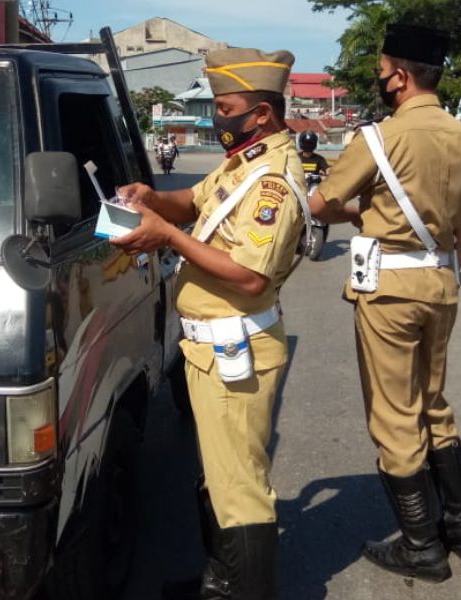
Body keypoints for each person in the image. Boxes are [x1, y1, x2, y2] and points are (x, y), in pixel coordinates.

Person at [110, 47, 306, 600]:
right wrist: (152, 199)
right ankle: (221, 582)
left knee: (240, 490)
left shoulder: (272, 181)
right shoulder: (242, 161)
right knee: (221, 479)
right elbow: (194, 201)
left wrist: (165, 236)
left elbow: (248, 277)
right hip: (210, 349)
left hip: (235, 350)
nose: (217, 117)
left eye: (226, 107)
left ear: (262, 113)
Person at [308, 23, 461, 583]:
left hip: (389, 291)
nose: (381, 81)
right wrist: (443, 272)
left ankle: (420, 548)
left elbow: (321, 202)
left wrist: (360, 213)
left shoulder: (380, 139)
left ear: (401, 77)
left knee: (394, 414)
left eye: (383, 73)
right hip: (442, 284)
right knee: (433, 401)